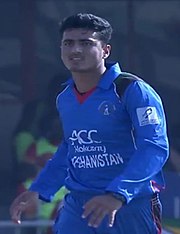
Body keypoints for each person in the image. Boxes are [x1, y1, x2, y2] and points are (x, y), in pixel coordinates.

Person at [10, 13, 169, 234]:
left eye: (86, 43)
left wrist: (118, 194)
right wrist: (39, 189)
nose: (75, 50)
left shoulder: (133, 90)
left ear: (106, 50)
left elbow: (154, 147)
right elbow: (70, 148)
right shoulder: (65, 97)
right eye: (68, 43)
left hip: (131, 204)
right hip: (79, 206)